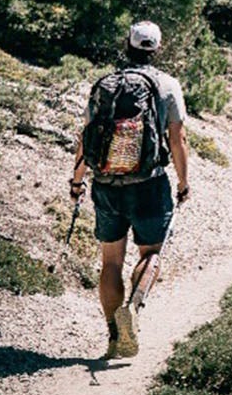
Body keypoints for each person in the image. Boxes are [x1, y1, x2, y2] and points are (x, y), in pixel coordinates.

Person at [69, 20, 191, 360]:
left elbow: (87, 138)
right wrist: (183, 182)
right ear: (157, 49)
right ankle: (133, 311)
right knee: (150, 254)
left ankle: (112, 335)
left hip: (106, 184)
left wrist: (77, 181)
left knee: (110, 262)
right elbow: (177, 138)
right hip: (148, 184)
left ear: (128, 45)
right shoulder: (167, 85)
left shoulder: (105, 84)